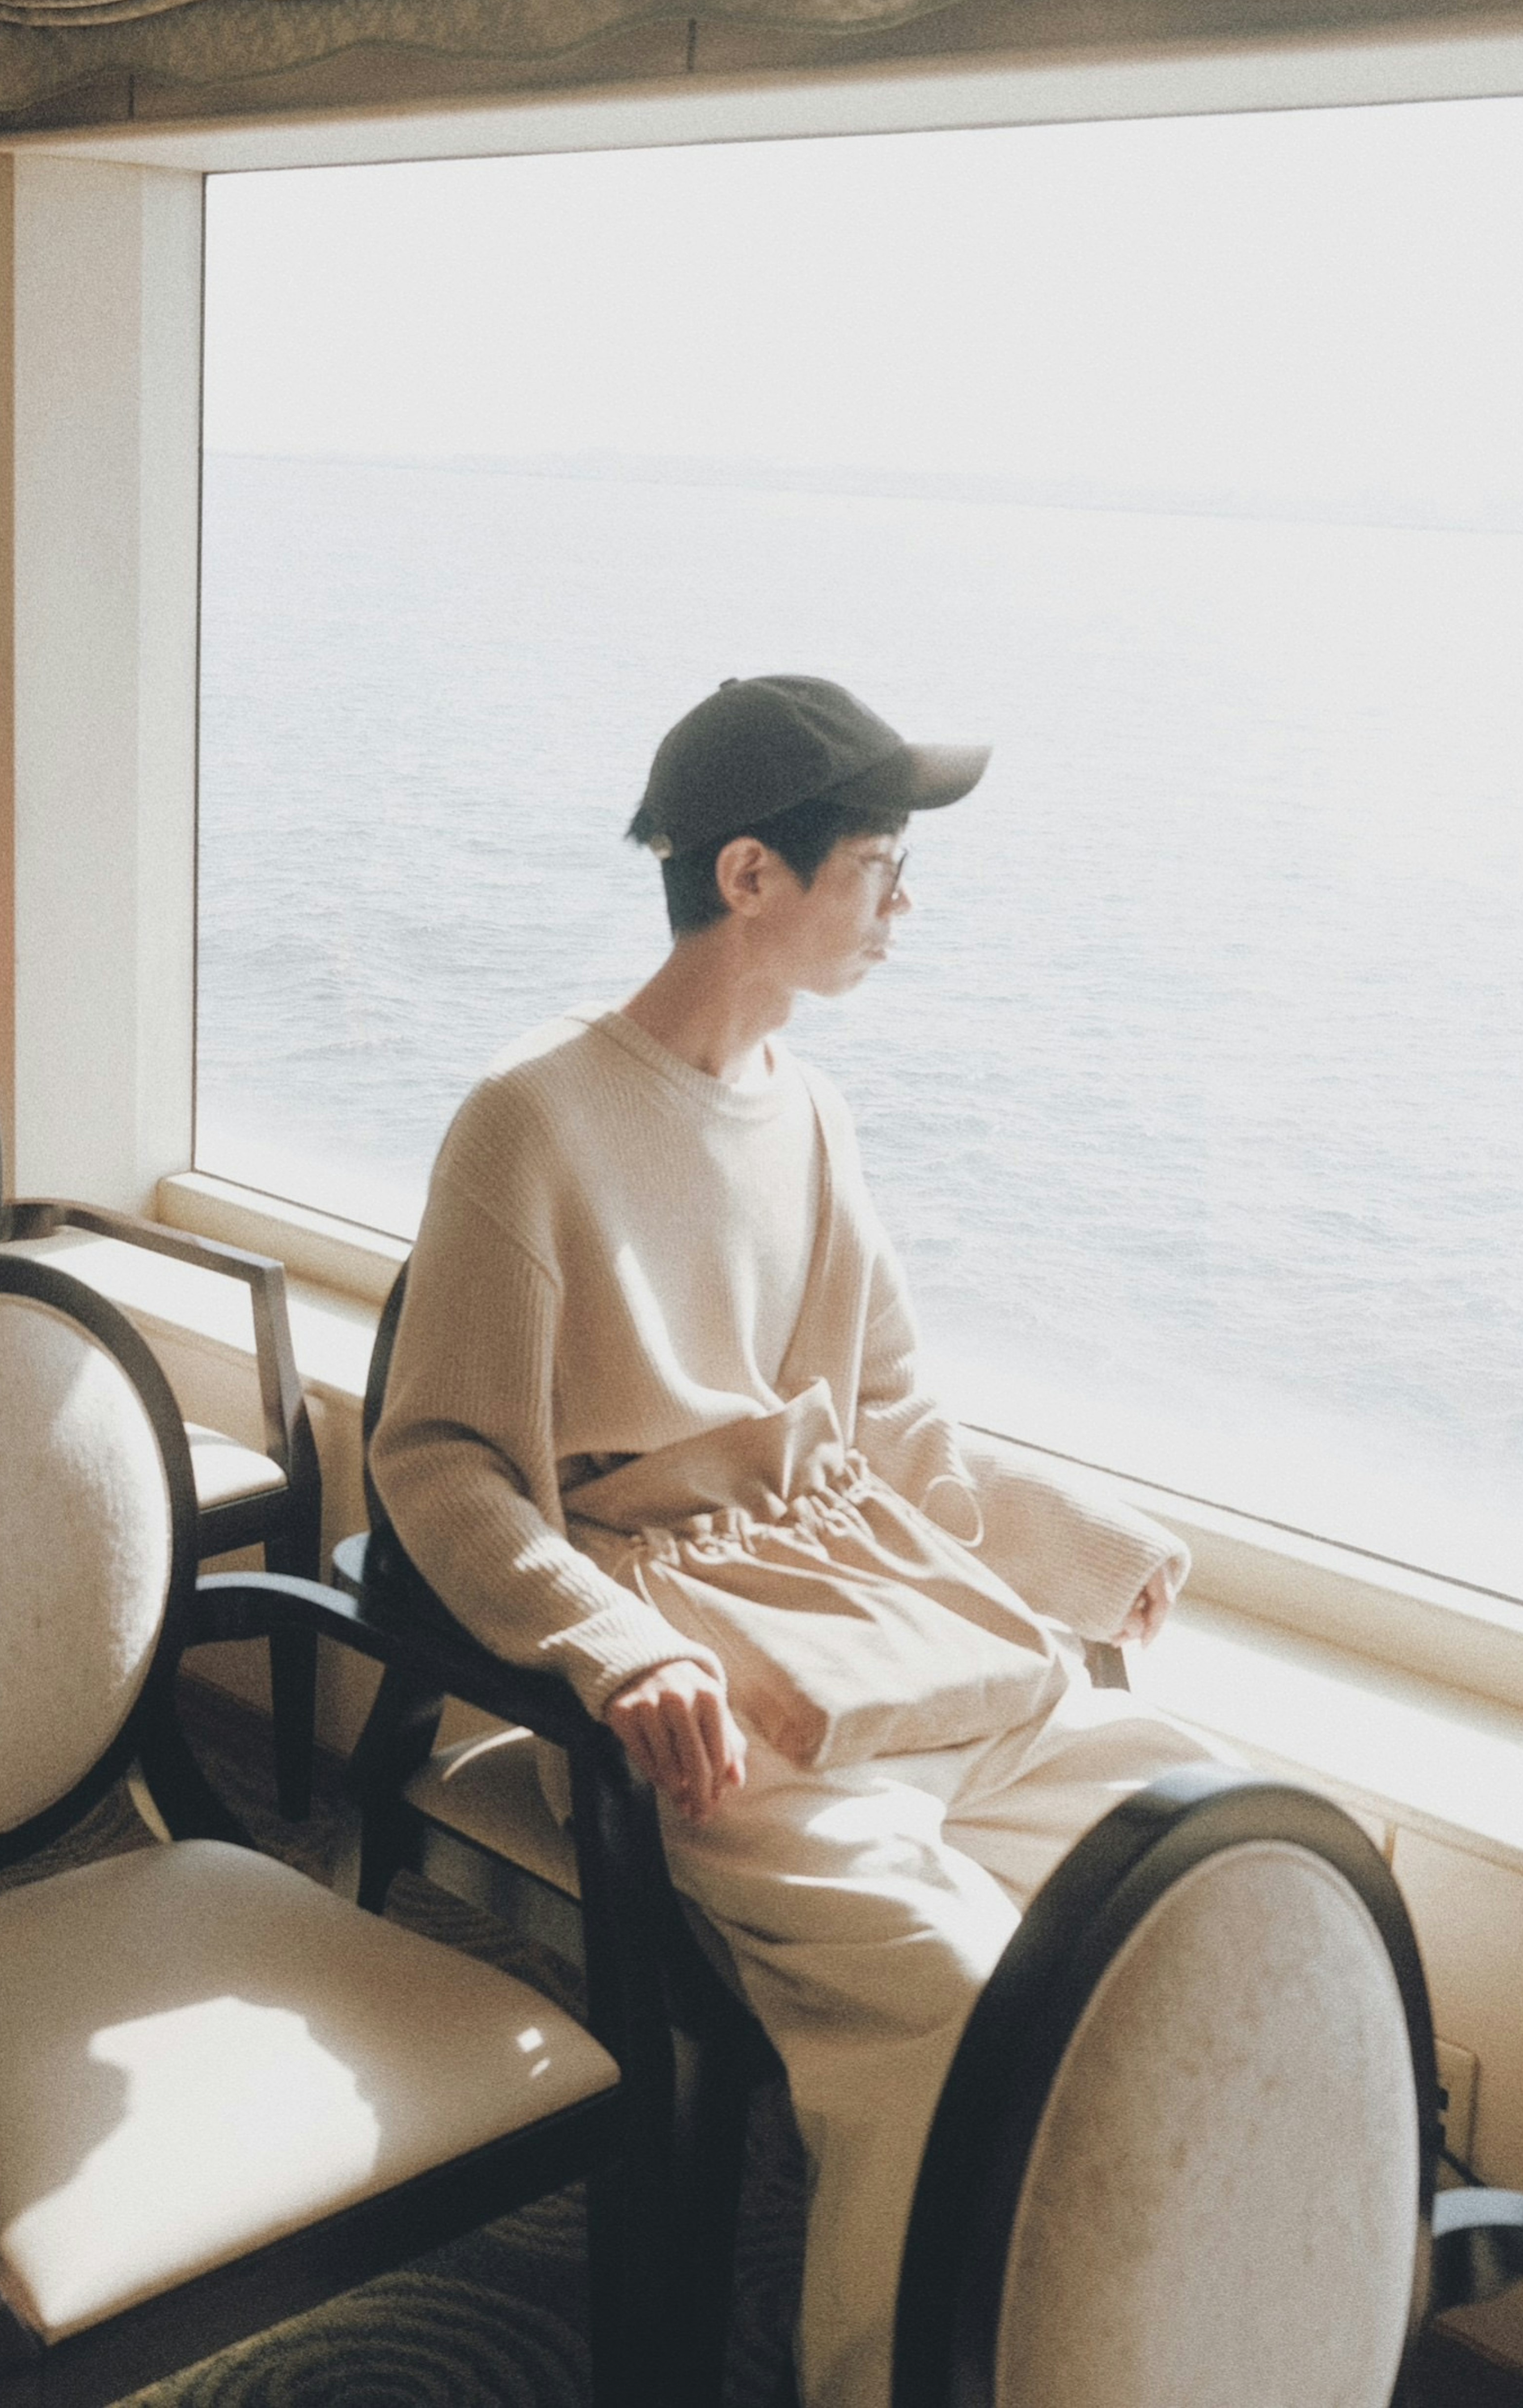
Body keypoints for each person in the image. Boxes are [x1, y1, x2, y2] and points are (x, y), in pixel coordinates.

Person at [373, 674, 1219, 2408]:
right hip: (696, 1698)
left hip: (883, 1629)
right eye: (883, 870)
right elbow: (442, 1465)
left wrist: (1085, 1551)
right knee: (951, 1990)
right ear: (750, 875)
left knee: (1205, 1866)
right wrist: (621, 1649)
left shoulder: (811, 1116)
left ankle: (1128, 2347)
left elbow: (895, 1431)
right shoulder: (528, 1122)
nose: (906, 909)